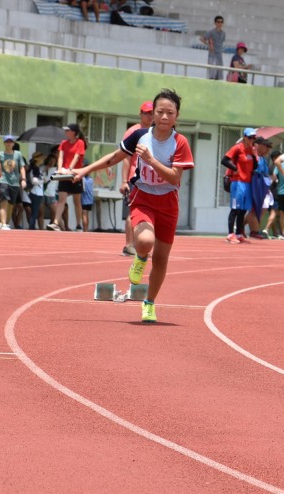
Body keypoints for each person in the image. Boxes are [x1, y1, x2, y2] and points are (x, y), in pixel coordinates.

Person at [71, 89, 194, 323]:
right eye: (161, 112)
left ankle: (149, 303)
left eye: (170, 113)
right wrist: (84, 170)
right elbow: (115, 157)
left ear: (177, 116)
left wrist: (151, 160)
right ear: (153, 115)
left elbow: (174, 178)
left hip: (168, 202)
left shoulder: (180, 142)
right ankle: (139, 256)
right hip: (143, 196)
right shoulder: (139, 136)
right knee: (146, 241)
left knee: (161, 258)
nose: (165, 117)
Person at [119, 101, 154, 255]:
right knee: (134, 212)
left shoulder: (156, 132)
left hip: (151, 179)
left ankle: (142, 245)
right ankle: (129, 244)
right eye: (146, 113)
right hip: (135, 177)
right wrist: (124, 181)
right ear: (140, 114)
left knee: (150, 213)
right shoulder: (133, 132)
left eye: (151, 112)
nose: (149, 116)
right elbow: (125, 158)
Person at [222, 128, 258, 243]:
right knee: (235, 209)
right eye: (250, 137)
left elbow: (254, 167)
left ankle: (238, 234)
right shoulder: (237, 148)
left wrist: (255, 155)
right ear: (245, 137)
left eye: (254, 138)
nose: (252, 139)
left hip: (247, 183)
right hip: (237, 182)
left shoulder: (251, 151)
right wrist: (235, 169)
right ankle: (230, 234)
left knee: (242, 210)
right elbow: (224, 160)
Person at [49, 124, 86, 231]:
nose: (65, 132)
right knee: (61, 199)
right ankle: (56, 222)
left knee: (77, 201)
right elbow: (60, 156)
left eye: (68, 130)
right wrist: (60, 169)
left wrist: (70, 169)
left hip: (75, 175)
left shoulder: (80, 143)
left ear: (74, 132)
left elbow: (77, 157)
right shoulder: (63, 143)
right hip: (64, 175)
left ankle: (78, 224)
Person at [0, 135, 26, 230]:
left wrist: (24, 179)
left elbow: (21, 167)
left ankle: (4, 223)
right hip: (3, 181)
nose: (9, 143)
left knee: (10, 205)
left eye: (11, 142)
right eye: (7, 142)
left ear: (13, 143)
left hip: (15, 183)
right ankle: (3, 223)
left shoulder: (18, 154)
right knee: (3, 202)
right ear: (4, 143)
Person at [200, 16, 226, 80]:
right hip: (212, 55)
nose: (220, 24)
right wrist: (209, 44)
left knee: (219, 75)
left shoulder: (223, 33)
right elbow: (202, 38)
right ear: (215, 23)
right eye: (218, 22)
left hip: (219, 56)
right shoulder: (211, 32)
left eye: (221, 22)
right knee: (211, 75)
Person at [27, 151, 45, 230]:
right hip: (35, 193)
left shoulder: (37, 169)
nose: (42, 160)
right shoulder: (35, 169)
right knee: (34, 213)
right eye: (41, 158)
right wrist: (42, 181)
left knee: (35, 212)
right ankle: (32, 228)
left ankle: (32, 227)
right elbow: (34, 181)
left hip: (38, 193)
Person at [80, 163, 94, 232]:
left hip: (84, 200)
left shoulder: (83, 180)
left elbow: (82, 189)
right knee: (87, 215)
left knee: (84, 215)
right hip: (90, 200)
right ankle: (87, 229)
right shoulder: (91, 180)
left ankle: (84, 230)